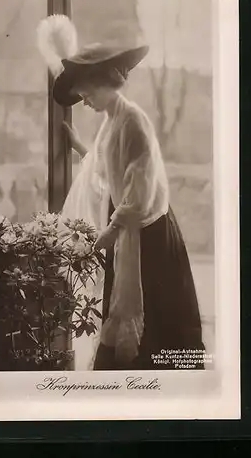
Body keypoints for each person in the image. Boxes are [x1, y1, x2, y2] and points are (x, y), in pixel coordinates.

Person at [55, 42, 206, 370]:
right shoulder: (112, 120)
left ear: (104, 82)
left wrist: (111, 229)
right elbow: (106, 165)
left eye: (87, 94)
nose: (86, 101)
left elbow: (141, 187)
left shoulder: (134, 121)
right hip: (126, 223)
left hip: (146, 229)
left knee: (156, 316)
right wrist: (81, 147)